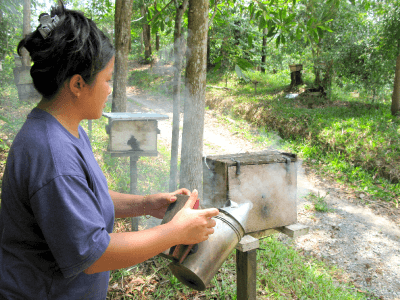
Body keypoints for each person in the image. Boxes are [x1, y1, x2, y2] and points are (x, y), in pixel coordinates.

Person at [0, 3, 219, 299]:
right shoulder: (52, 155)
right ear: (78, 84)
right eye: (106, 79)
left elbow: (82, 200)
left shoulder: (66, 130)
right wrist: (174, 232)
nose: (110, 89)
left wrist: (144, 204)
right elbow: (94, 255)